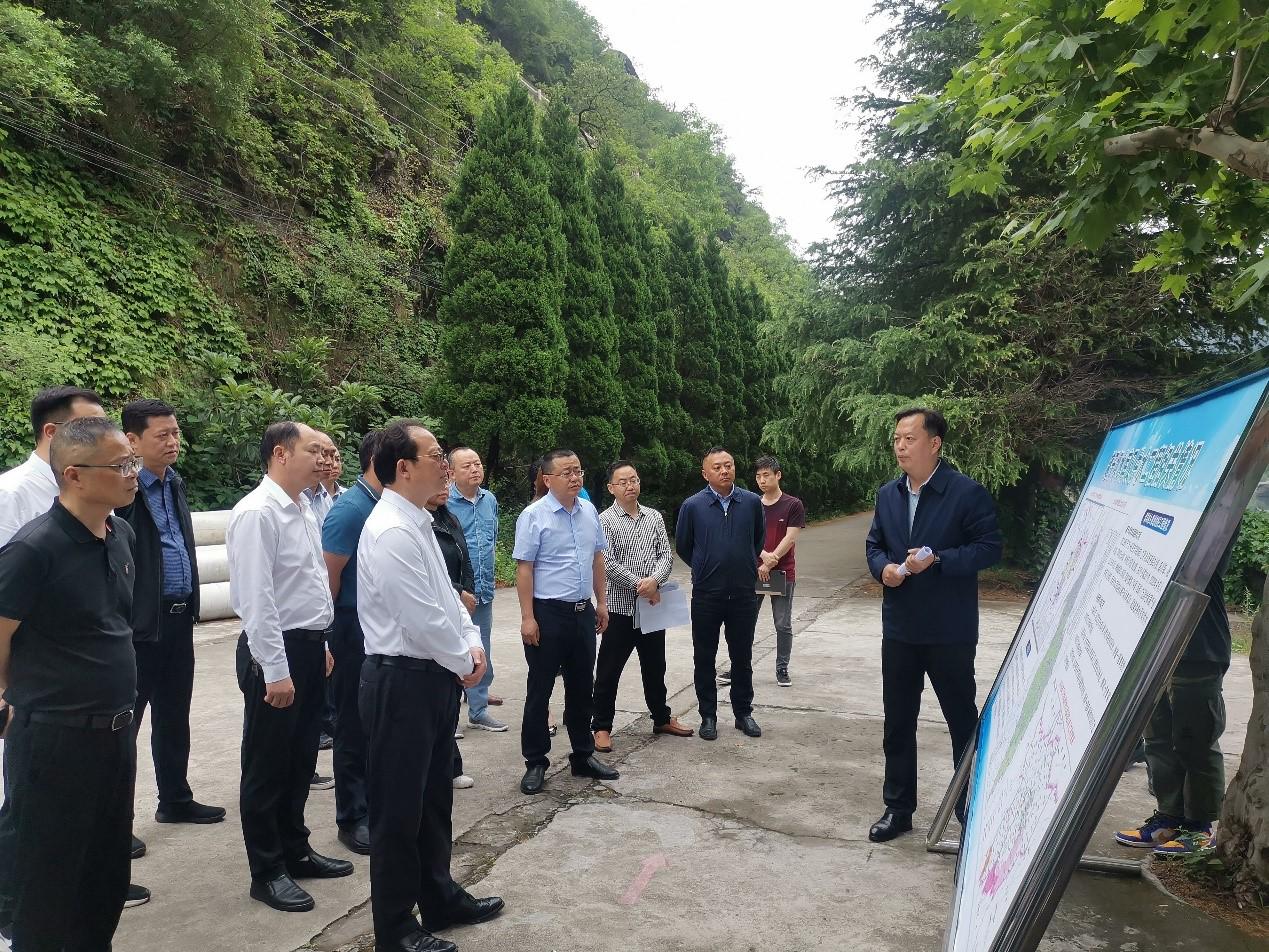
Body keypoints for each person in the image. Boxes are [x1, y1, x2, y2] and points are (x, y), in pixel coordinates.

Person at [0, 387, 150, 918]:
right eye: (120, 465)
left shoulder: (121, 534)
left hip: (115, 734)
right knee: (47, 887)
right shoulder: (32, 549)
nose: (133, 474)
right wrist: (13, 696)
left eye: (133, 462)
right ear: (74, 475)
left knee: (103, 882)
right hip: (54, 737)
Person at [356, 421, 503, 952]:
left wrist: (472, 644)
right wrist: (464, 659)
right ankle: (395, 927)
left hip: (433, 677)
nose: (445, 465)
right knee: (398, 811)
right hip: (401, 682)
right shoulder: (391, 531)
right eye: (437, 456)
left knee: (434, 797)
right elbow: (419, 618)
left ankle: (438, 896)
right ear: (403, 468)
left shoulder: (420, 520)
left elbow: (449, 598)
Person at [227, 421, 352, 912]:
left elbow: (308, 582)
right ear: (281, 454)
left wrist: (321, 642)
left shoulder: (302, 507)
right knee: (267, 764)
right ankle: (267, 870)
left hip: (307, 647)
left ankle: (295, 849)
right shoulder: (258, 513)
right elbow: (256, 600)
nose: (323, 459)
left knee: (300, 758)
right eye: (313, 450)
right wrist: (275, 669)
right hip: (273, 652)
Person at [864, 407, 1002, 843]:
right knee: (897, 722)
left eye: (909, 438)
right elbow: (874, 545)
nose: (900, 446)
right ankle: (898, 808)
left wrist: (939, 559)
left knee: (961, 722)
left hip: (949, 631)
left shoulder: (965, 493)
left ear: (934, 443)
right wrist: (883, 568)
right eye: (896, 439)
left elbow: (989, 547)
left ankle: (969, 810)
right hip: (900, 629)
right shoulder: (888, 495)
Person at [118, 400, 225, 828]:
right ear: (132, 440)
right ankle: (117, 823)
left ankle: (175, 799)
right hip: (141, 623)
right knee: (125, 723)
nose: (173, 441)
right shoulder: (124, 490)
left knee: (174, 714)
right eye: (162, 435)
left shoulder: (173, 483)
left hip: (178, 620)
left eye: (175, 433)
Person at [1114, 538, 1236, 857]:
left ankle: (1199, 827)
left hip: (1198, 651)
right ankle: (1169, 819)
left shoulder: (1204, 533)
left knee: (1195, 741)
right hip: (1156, 652)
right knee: (1158, 740)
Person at [513, 449, 619, 795]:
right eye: (566, 472)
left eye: (578, 471)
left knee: (581, 688)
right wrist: (528, 617)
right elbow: (524, 568)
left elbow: (597, 558)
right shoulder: (533, 516)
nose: (575, 478)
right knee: (540, 689)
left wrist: (601, 603)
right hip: (547, 614)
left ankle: (582, 755)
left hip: (582, 612)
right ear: (547, 479)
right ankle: (535, 761)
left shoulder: (589, 511)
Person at [591, 460, 693, 752]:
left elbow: (666, 555)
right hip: (620, 609)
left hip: (652, 607)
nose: (630, 486)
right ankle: (601, 726)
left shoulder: (654, 517)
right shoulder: (604, 520)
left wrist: (656, 581)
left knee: (655, 666)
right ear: (611, 487)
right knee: (609, 670)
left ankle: (661, 717)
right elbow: (606, 563)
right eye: (622, 482)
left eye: (633, 480)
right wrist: (640, 584)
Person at [320, 430, 383, 857]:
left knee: (376, 721)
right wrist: (329, 637)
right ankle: (352, 816)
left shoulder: (383, 505)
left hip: (378, 627)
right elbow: (329, 579)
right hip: (350, 627)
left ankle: (375, 806)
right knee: (352, 723)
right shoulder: (350, 509)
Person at [675, 447, 766, 742]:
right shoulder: (693, 505)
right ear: (705, 474)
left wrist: (743, 564)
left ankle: (743, 713)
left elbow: (757, 540)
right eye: (717, 467)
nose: (724, 470)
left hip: (743, 594)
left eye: (729, 465)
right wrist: (705, 566)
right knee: (704, 657)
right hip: (707, 595)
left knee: (742, 656)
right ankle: (708, 715)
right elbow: (684, 546)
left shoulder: (751, 502)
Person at [0, 386, 105, 546]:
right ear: (51, 432)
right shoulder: (10, 494)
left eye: (106, 426)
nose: (105, 436)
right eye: (91, 427)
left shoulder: (99, 484)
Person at [446, 447, 506, 731]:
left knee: (482, 649)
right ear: (451, 473)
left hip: (484, 589)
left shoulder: (489, 500)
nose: (475, 469)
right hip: (455, 591)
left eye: (478, 464)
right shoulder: (444, 502)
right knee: (451, 651)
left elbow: (491, 539)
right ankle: (448, 719)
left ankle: (478, 710)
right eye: (467, 465)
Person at [426, 480, 479, 789]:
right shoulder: (418, 525)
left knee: (450, 697)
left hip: (460, 607)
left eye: (446, 481)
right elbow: (435, 576)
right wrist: (458, 592)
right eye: (438, 481)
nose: (444, 487)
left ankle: (451, 765)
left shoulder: (450, 519)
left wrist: (467, 591)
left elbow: (465, 560)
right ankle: (446, 765)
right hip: (441, 610)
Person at [755, 455, 806, 688]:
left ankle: (782, 668)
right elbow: (747, 536)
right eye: (758, 476)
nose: (762, 480)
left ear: (778, 475)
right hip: (754, 570)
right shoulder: (752, 504)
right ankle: (738, 666)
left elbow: (791, 537)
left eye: (766, 475)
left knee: (782, 623)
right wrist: (762, 557)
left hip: (782, 571)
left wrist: (770, 561)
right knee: (745, 621)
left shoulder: (793, 504)